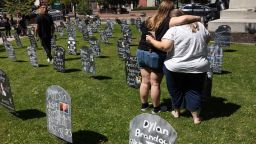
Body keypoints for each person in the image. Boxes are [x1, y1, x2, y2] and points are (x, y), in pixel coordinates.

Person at [146, 9, 210, 124]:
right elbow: (208, 39)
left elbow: (165, 47)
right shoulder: (200, 26)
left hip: (175, 67)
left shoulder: (173, 30)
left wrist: (151, 40)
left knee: (176, 90)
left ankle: (176, 111)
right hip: (198, 67)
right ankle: (196, 117)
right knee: (194, 90)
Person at [136, 0, 201, 114]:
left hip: (141, 51)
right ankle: (156, 108)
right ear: (170, 9)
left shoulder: (149, 19)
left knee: (145, 82)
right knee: (155, 83)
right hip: (156, 53)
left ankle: (144, 105)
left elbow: (143, 30)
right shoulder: (169, 20)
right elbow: (185, 19)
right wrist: (197, 17)